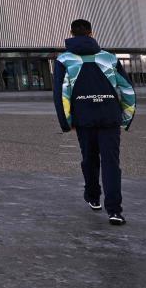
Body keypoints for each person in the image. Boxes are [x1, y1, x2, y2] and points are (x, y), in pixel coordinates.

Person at [53, 19, 136, 226]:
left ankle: (92, 196)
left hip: (83, 118)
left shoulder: (64, 59)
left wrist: (66, 122)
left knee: (89, 159)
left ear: (70, 33)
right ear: (92, 33)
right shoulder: (109, 57)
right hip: (110, 117)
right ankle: (115, 211)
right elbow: (126, 89)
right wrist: (125, 118)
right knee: (111, 163)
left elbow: (61, 94)